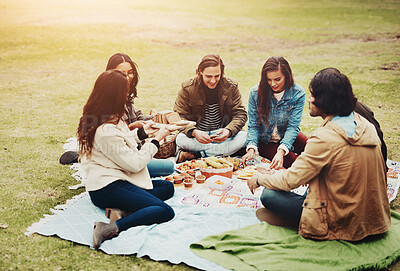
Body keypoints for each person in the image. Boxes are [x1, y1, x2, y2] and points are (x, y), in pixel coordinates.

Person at [248, 68, 391, 241]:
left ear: (325, 101)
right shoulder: (364, 124)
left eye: (312, 95)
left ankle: (296, 220)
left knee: (269, 195)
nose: (308, 99)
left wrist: (259, 179)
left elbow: (290, 181)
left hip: (341, 218)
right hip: (373, 217)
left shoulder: (324, 137)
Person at [77, 70, 175, 249]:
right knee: (165, 210)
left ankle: (121, 210)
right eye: (125, 90)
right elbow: (135, 163)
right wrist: (157, 139)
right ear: (115, 95)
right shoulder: (104, 130)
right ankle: (111, 227)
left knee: (167, 187)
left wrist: (144, 132)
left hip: (118, 177)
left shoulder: (108, 117)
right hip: (106, 188)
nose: (128, 95)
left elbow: (121, 142)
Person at [60, 53, 174, 178]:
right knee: (167, 167)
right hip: (115, 152)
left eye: (130, 72)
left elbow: (136, 116)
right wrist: (134, 129)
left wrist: (157, 118)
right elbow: (107, 133)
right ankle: (85, 157)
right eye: (122, 73)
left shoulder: (124, 93)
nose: (127, 77)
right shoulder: (106, 101)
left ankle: (88, 156)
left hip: (123, 147)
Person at [173, 54, 248, 163]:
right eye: (209, 76)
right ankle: (222, 153)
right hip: (198, 136)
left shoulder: (231, 86)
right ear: (200, 71)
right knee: (180, 139)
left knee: (244, 137)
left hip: (222, 135)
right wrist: (194, 132)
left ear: (222, 72)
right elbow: (179, 116)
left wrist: (228, 130)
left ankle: (198, 155)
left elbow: (240, 114)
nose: (213, 81)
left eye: (217, 76)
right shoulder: (187, 88)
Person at [242, 56, 307, 169]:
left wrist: (282, 150)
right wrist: (251, 148)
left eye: (277, 79)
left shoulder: (298, 93)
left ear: (286, 76)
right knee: (294, 163)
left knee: (315, 148)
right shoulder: (255, 93)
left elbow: (293, 126)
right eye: (269, 79)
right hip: (266, 141)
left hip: (287, 135)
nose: (273, 84)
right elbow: (253, 125)